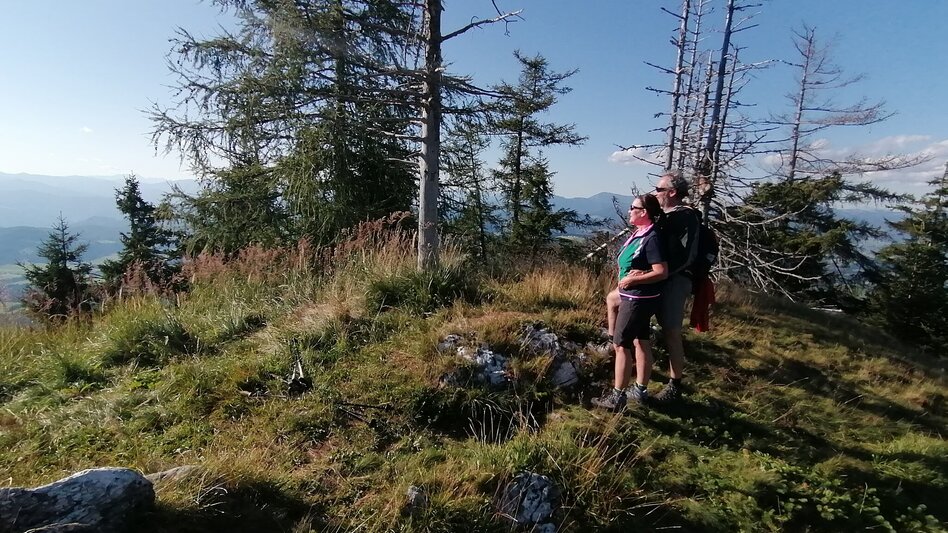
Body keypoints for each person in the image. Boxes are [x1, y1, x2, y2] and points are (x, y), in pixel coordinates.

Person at [593, 194, 668, 411]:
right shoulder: (641, 233)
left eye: (632, 207)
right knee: (640, 341)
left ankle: (618, 398)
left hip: (637, 299)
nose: (629, 211)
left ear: (644, 212)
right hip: (638, 297)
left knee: (621, 345)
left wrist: (634, 278)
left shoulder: (651, 237)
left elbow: (661, 271)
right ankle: (640, 391)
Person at [650, 171, 700, 402]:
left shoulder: (686, 217)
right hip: (655, 277)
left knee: (671, 331)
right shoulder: (663, 215)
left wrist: (663, 273)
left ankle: (674, 385)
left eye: (659, 189)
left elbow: (686, 255)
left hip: (674, 280)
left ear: (672, 192)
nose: (655, 192)